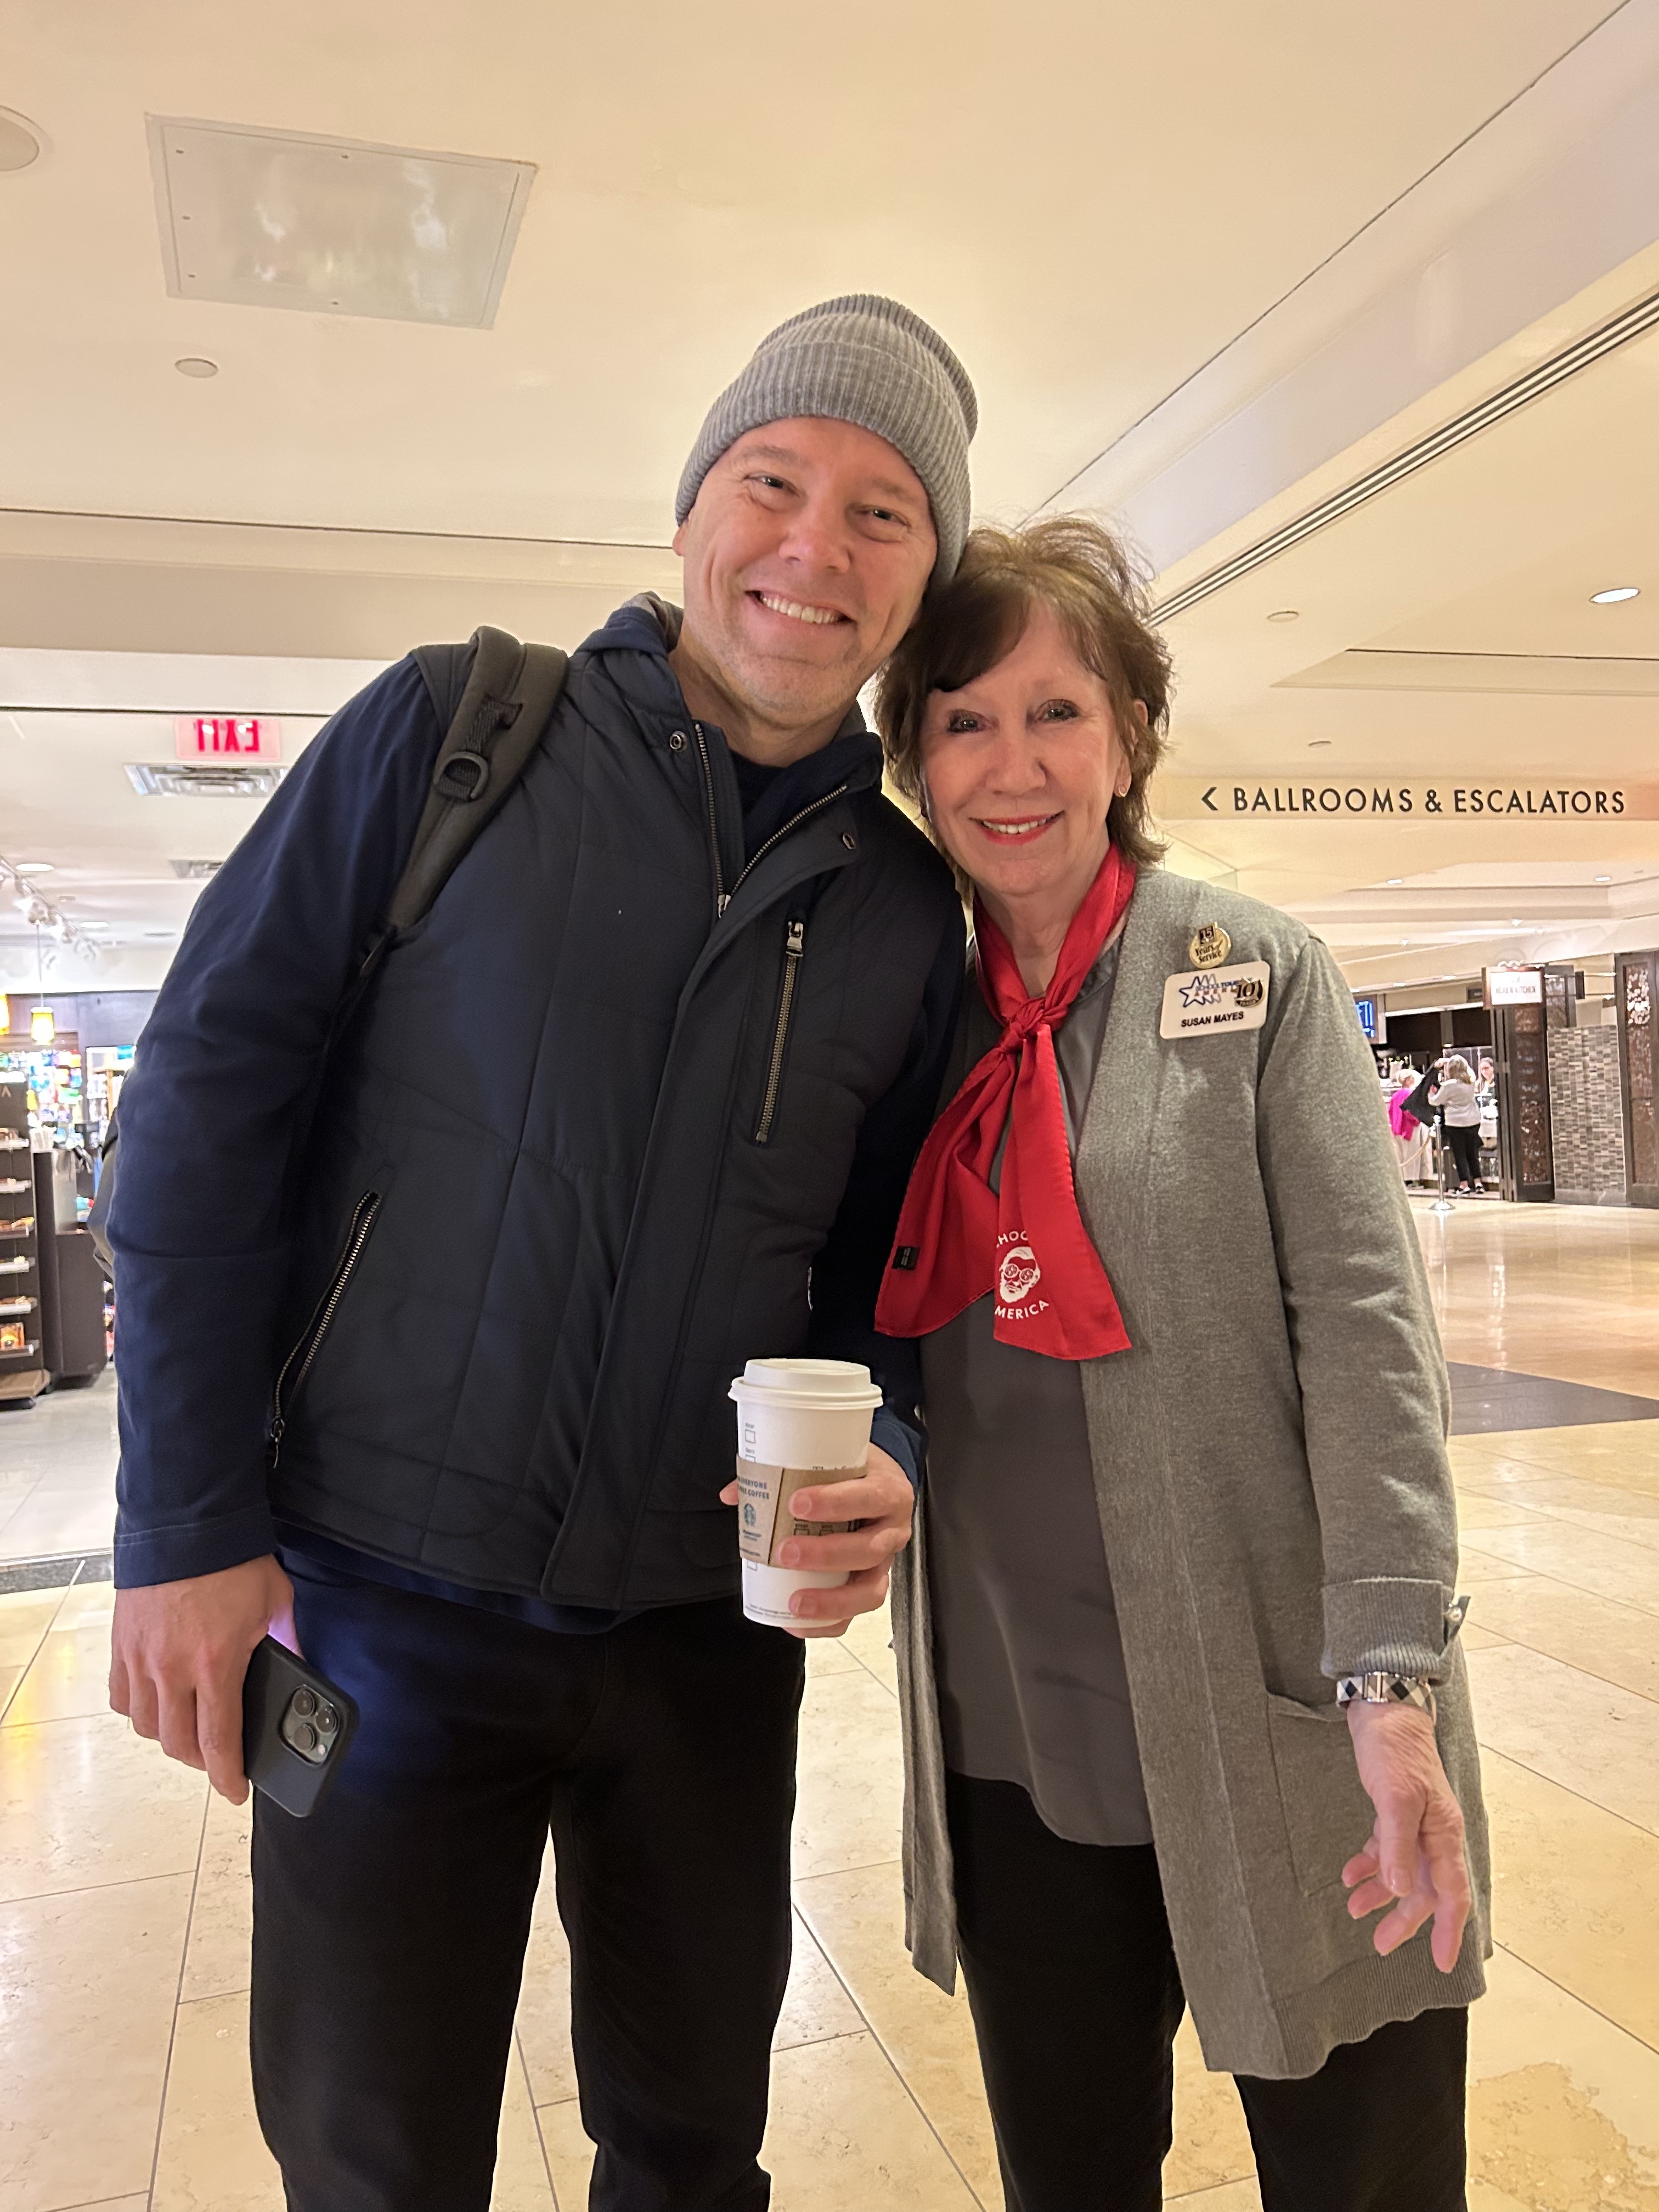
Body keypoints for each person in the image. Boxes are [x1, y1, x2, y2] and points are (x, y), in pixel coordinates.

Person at [106, 295, 975, 2212]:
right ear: (691, 512)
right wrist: (180, 1517)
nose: (813, 549)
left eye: (883, 512)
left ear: (925, 579)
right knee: (372, 2155)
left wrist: (889, 1440)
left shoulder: (912, 908)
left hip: (706, 1645)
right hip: (378, 1605)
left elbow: (885, 1268)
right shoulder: (450, 733)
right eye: (776, 482)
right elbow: (201, 1106)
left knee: (690, 2149)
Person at [872, 517, 1489, 2212]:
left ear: (1131, 735)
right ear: (914, 759)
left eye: (1056, 713)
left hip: (1285, 1706)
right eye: (963, 721)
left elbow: (1371, 1345)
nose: (1012, 767)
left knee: (1363, 2172)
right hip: (1015, 1721)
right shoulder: (904, 1014)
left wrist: (1392, 1681)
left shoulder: (1254, 978)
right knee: (1072, 2173)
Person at [1431, 1053, 1485, 1193]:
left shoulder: (1449, 1086)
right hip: (1473, 1121)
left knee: (1460, 1154)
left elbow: (1436, 1101)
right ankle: (1478, 1183)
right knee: (1472, 1153)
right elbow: (1467, 1070)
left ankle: (1464, 1184)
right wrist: (1452, 1061)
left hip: (1455, 1123)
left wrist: (1430, 1094)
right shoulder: (1471, 1081)